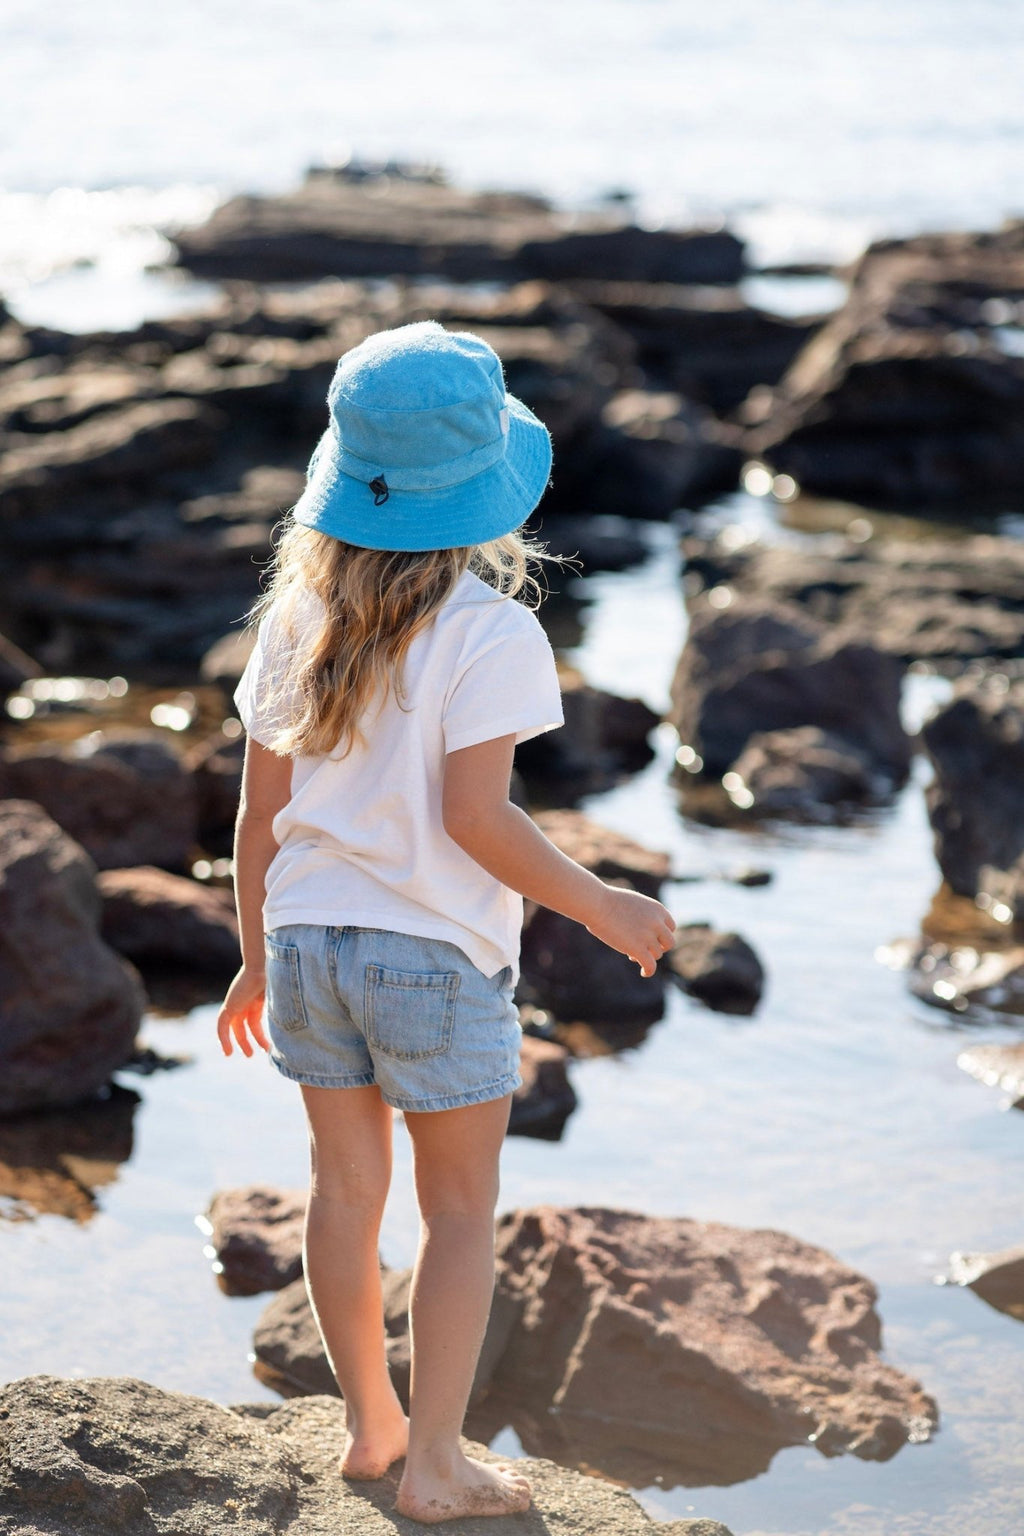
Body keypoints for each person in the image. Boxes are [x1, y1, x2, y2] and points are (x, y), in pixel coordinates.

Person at [216, 321, 676, 1524]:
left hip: (310, 944)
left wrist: (253, 960)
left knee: (341, 1191)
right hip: (431, 957)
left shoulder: (292, 623)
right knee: (461, 1213)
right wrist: (605, 904)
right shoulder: (492, 630)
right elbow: (477, 821)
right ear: (482, 498)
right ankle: (436, 1465)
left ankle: (371, 1431)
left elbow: (259, 820)